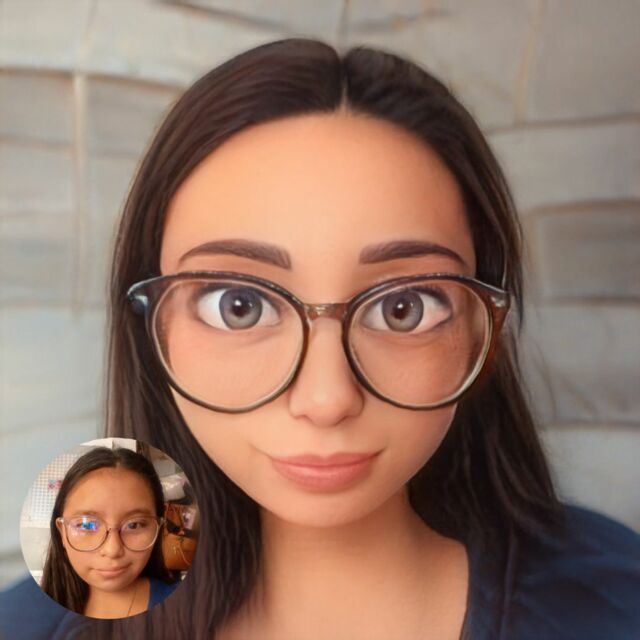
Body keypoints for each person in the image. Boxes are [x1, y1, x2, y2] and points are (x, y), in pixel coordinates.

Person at [1, 37, 638, 639]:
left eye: (403, 308)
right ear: (151, 326)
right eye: (241, 306)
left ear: (484, 330)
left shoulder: (616, 604)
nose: (327, 400)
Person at [1, 447, 180, 636]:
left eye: (134, 525)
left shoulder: (191, 607)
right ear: (62, 531)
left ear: (158, 526)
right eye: (87, 525)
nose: (112, 550)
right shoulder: (12, 614)